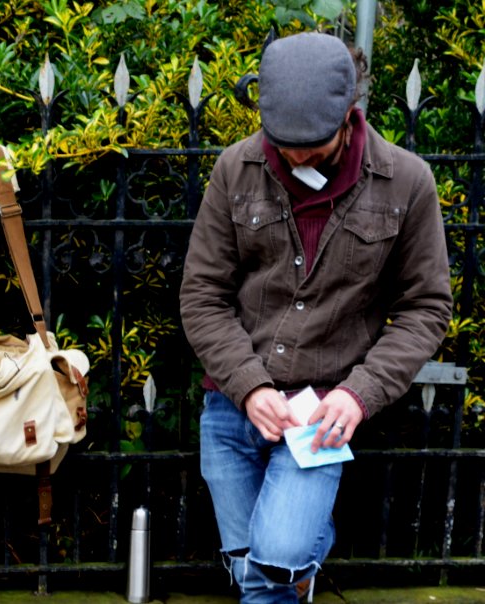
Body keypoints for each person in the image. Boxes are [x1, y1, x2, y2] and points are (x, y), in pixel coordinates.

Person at [179, 31, 453, 603]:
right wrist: (250, 387)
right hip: (233, 405)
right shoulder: (235, 168)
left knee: (272, 571)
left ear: (350, 112)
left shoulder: (407, 181)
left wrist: (360, 394)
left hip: (323, 416)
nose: (296, 155)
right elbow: (202, 295)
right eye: (284, 142)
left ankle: (295, 557)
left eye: (312, 143)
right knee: (247, 568)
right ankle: (300, 554)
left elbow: (427, 308)